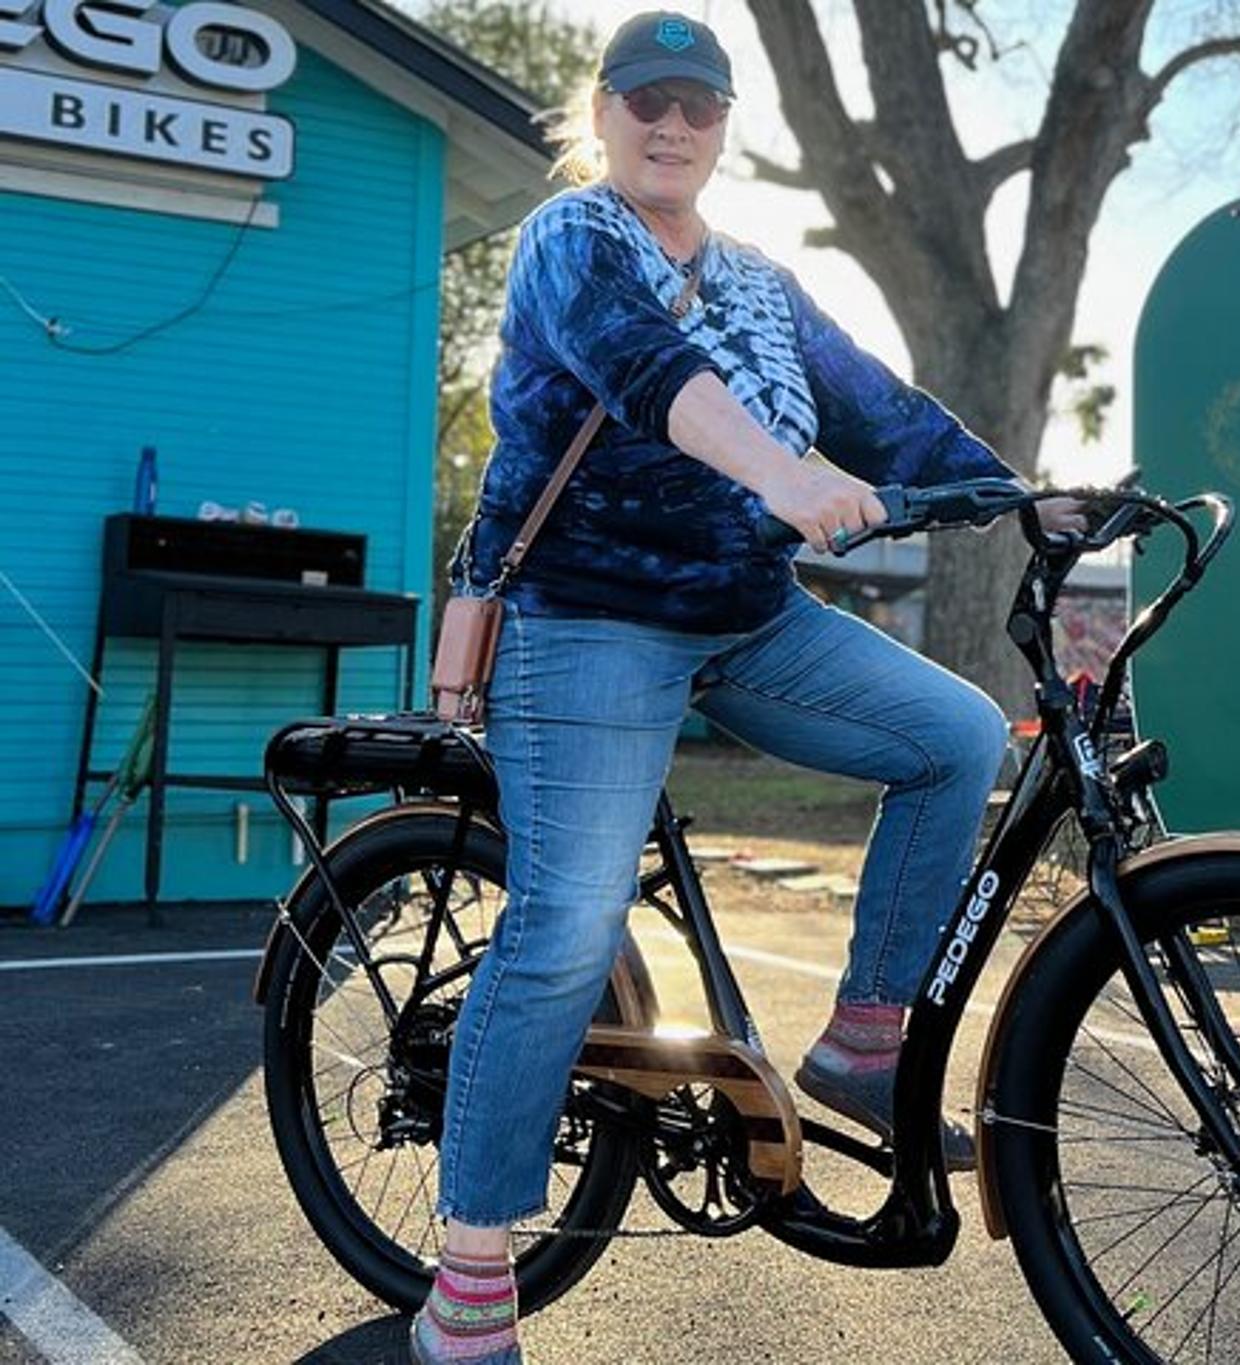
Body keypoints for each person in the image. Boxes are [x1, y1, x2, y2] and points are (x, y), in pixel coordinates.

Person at [410, 13, 1083, 1363]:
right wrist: (780, 473)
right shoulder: (573, 242)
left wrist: (1029, 491)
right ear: (601, 114)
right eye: (647, 100)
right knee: (566, 923)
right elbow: (650, 374)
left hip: (749, 615)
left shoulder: (764, 281)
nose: (673, 124)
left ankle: (861, 1035)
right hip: (586, 620)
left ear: (725, 130)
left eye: (700, 107)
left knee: (955, 734)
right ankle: (470, 1269)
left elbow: (879, 407)